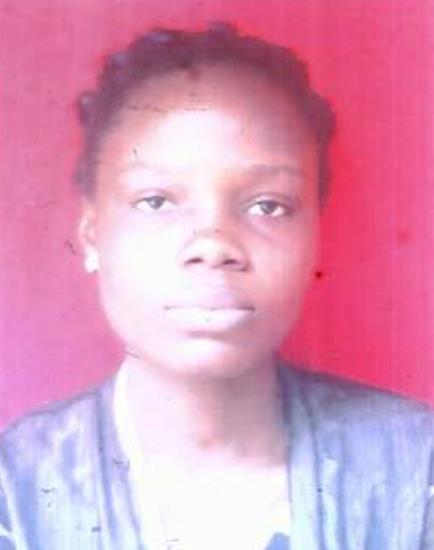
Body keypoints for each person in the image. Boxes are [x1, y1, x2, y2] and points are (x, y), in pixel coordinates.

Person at [0, 23, 433, 550]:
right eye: (156, 201)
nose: (213, 244)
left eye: (268, 205)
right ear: (92, 236)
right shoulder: (15, 492)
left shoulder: (417, 471)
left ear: (313, 236)